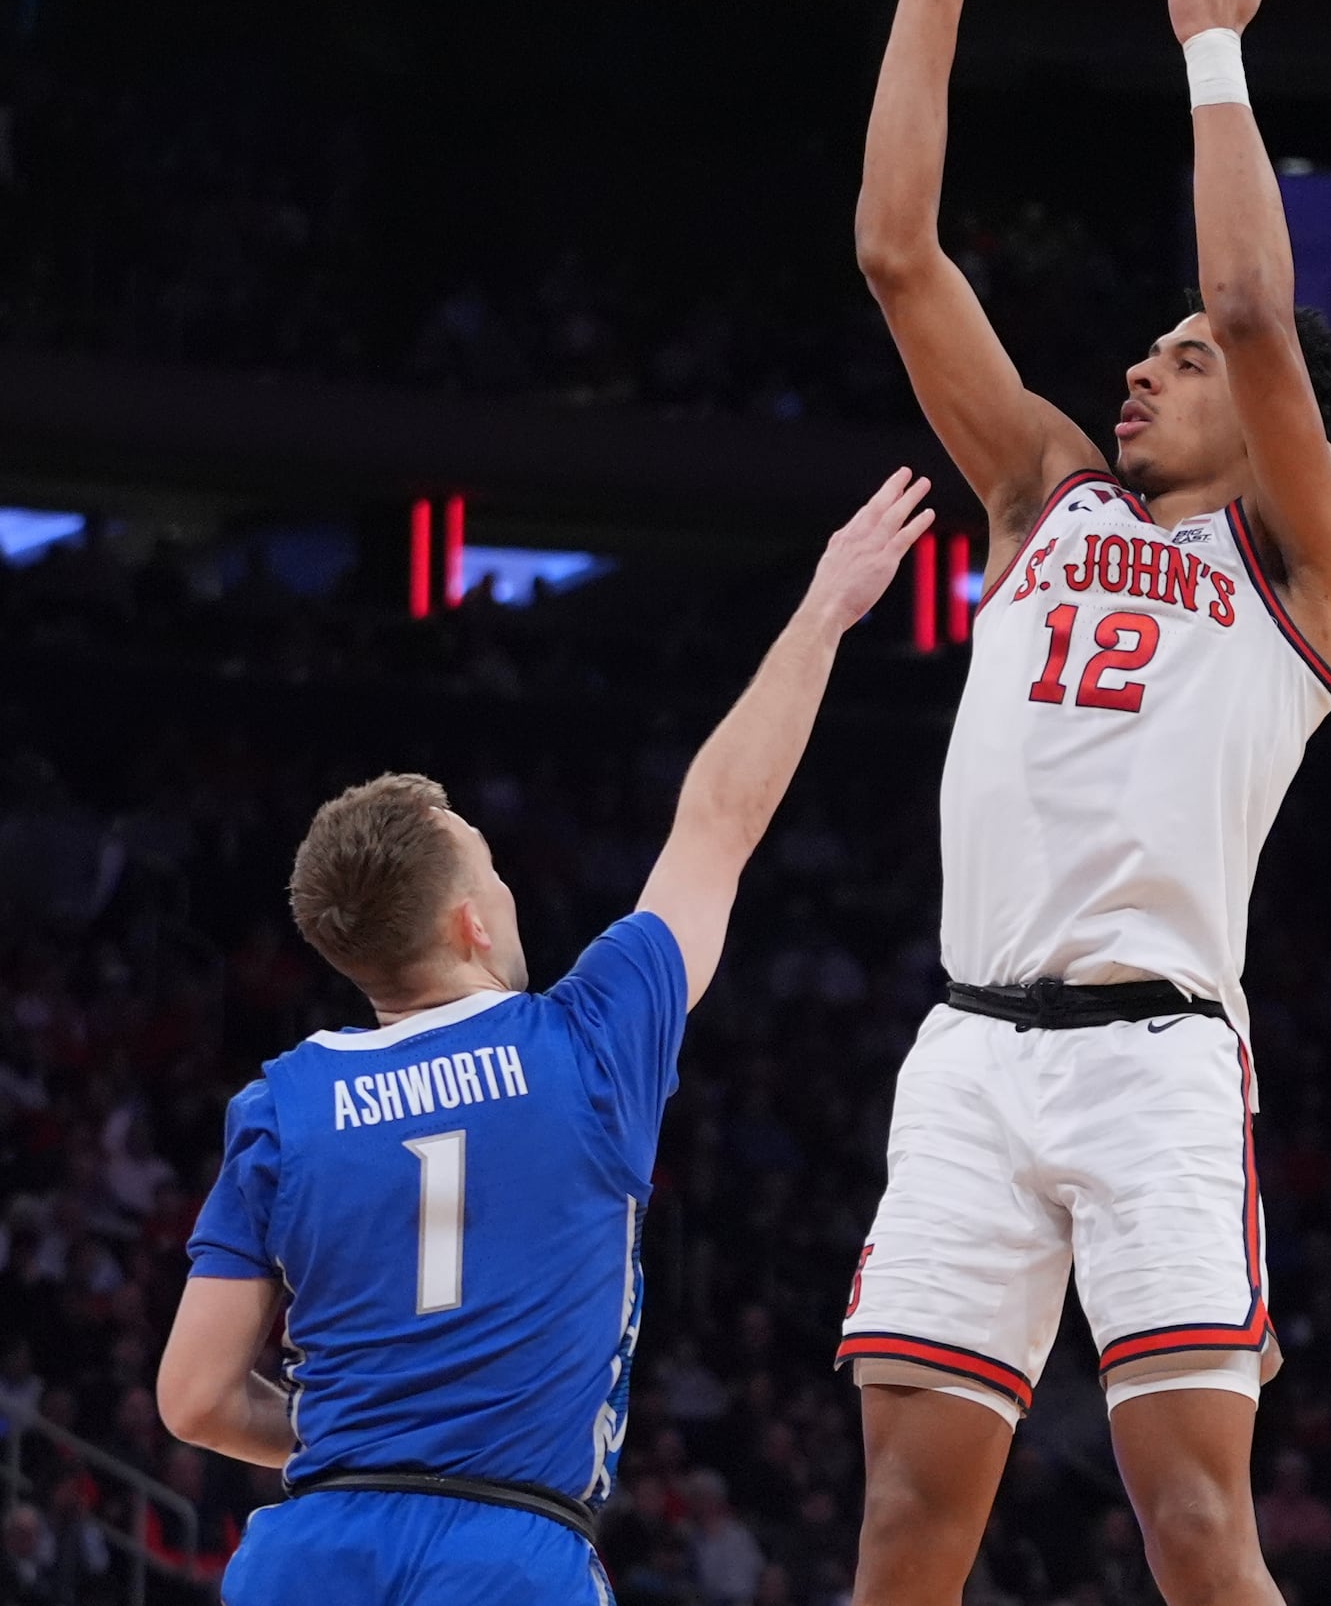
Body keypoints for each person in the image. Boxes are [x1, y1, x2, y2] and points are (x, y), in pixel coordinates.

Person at [839, 0, 1331, 1606]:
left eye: (1181, 362)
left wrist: (1211, 48)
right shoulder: (1045, 493)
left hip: (1154, 1056)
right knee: (908, 1528)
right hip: (972, 1046)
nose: (1146, 366)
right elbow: (897, 252)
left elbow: (1246, 305)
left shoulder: (1302, 551)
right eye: (1140, 353)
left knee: (1196, 1523)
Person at [155, 470, 934, 1605]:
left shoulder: (280, 1103)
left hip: (306, 1548)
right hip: (505, 1549)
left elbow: (191, 1397)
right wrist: (824, 609)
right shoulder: (587, 1040)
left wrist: (358, 1448)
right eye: (495, 867)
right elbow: (719, 819)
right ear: (473, 920)